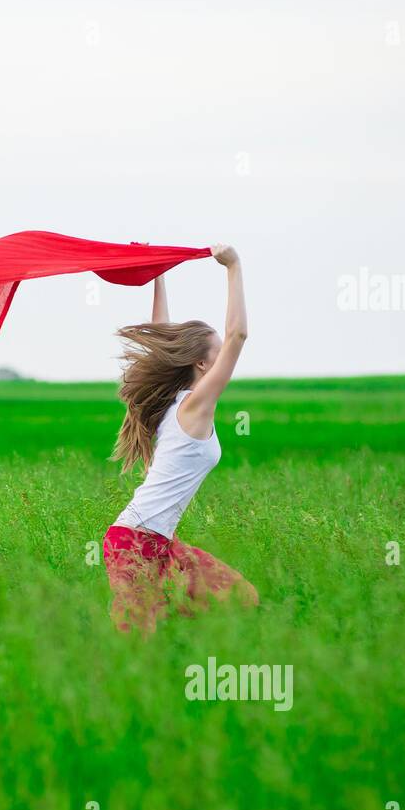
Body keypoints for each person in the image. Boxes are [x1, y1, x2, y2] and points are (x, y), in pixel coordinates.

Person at [103, 243, 259, 630]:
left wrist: (159, 274)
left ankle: (184, 654)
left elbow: (161, 334)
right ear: (202, 363)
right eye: (218, 354)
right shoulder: (193, 407)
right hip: (135, 543)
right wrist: (233, 267)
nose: (226, 359)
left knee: (242, 598)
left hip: (159, 544)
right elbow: (238, 334)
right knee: (138, 648)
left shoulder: (175, 403)